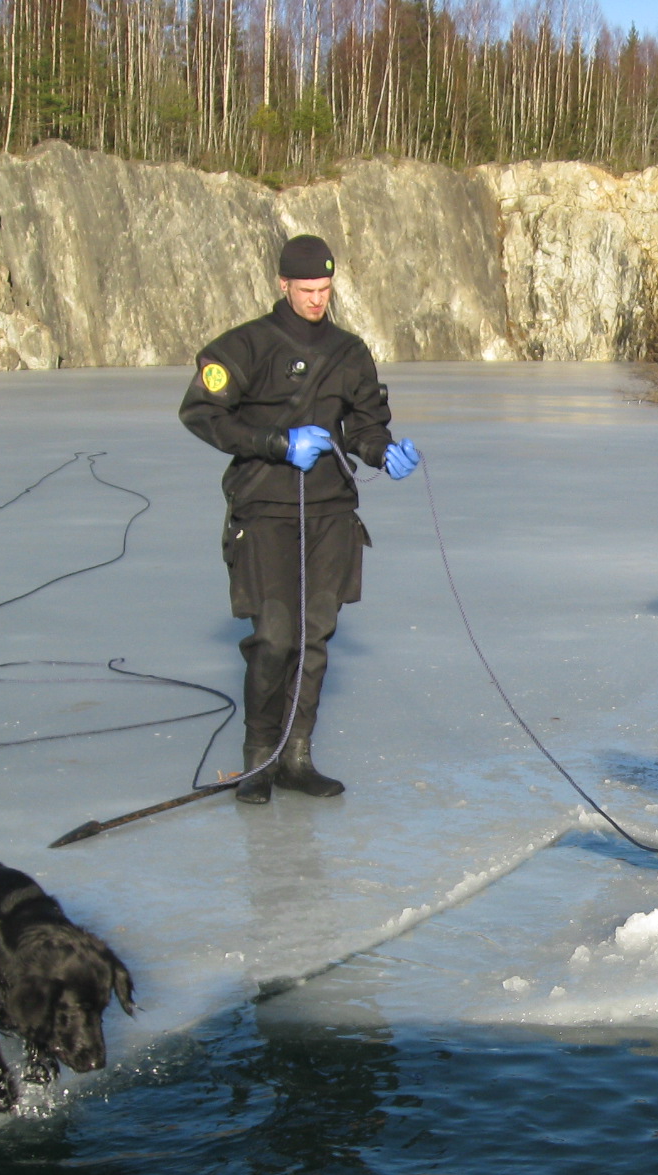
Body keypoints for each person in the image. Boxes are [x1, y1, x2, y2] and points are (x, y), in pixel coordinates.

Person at [178, 233, 422, 804]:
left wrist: (384, 452)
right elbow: (200, 413)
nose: (317, 300)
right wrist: (276, 442)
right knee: (275, 636)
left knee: (314, 637)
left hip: (331, 511)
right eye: (307, 289)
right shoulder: (244, 347)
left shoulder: (349, 351)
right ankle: (257, 761)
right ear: (282, 284)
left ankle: (297, 755)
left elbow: (365, 425)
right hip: (264, 507)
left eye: (325, 289)